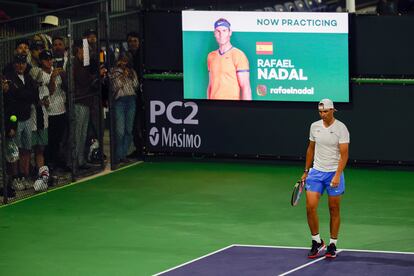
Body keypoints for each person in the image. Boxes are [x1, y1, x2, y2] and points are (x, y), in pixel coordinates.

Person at [301, 99, 350, 259]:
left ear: (332, 110)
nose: (322, 114)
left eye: (325, 111)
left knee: (334, 209)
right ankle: (316, 241)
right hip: (316, 173)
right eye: (320, 112)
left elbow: (344, 155)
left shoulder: (341, 128)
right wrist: (306, 171)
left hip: (333, 173)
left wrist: (336, 175)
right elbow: (311, 149)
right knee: (310, 207)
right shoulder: (314, 126)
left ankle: (333, 244)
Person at [207, 18, 252, 101]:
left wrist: (247, 110)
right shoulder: (211, 56)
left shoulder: (238, 55)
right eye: (218, 31)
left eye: (224, 31)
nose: (221, 35)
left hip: (232, 107)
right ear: (214, 33)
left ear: (230, 32)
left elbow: (245, 87)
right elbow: (210, 85)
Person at [109, 53, 139, 164]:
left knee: (128, 130)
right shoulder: (114, 72)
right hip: (119, 101)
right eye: (122, 60)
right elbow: (116, 86)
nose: (124, 63)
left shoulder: (132, 71)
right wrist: (122, 75)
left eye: (126, 61)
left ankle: (123, 155)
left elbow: (136, 85)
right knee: (120, 131)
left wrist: (130, 76)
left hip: (131, 100)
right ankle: (117, 156)